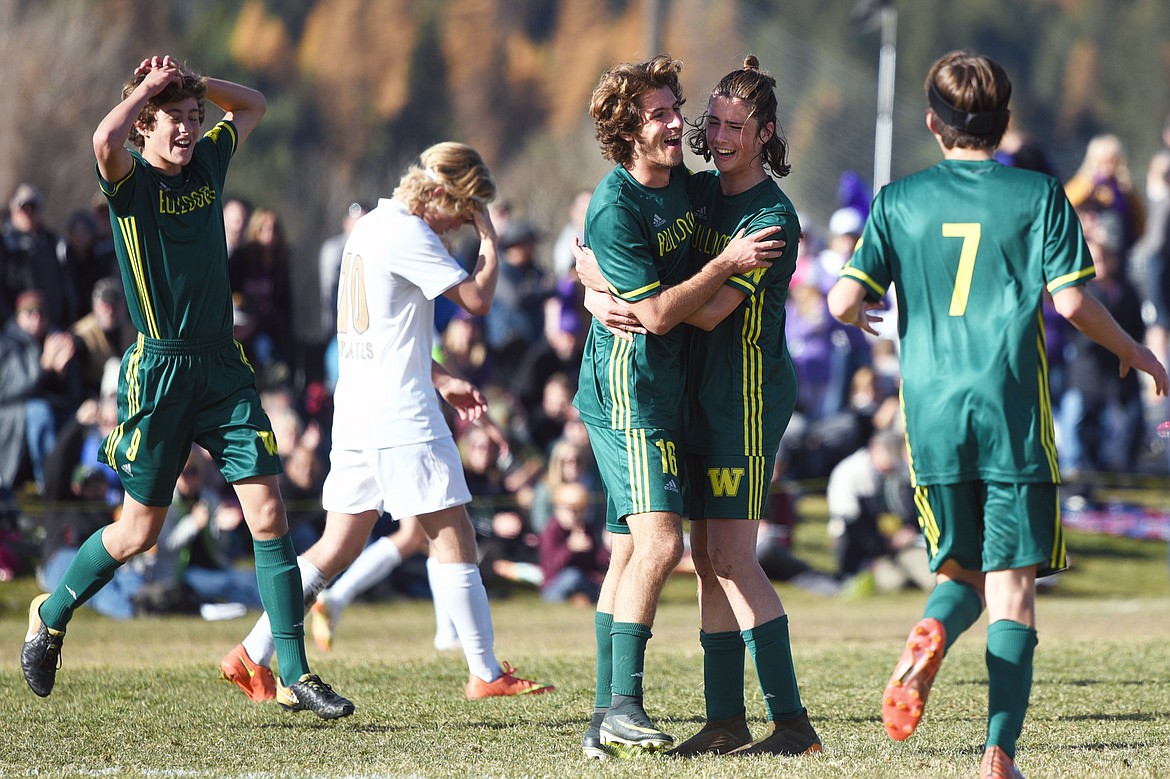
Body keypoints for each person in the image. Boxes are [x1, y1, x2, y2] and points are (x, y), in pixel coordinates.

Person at [826, 50, 1169, 778]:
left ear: (932, 123)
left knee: (964, 574)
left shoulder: (897, 201)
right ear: (1005, 125)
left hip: (933, 421)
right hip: (1009, 413)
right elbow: (1072, 300)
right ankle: (997, 753)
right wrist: (1135, 349)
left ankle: (932, 630)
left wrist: (868, 316)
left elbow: (840, 300)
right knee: (1011, 587)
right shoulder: (1040, 195)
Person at [20, 54, 354, 720]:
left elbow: (253, 104)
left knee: (269, 511)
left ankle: (292, 671)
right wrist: (148, 88)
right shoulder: (129, 180)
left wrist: (198, 84)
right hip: (161, 374)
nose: (189, 130)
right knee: (139, 531)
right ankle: (50, 611)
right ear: (146, 123)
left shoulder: (209, 163)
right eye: (175, 119)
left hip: (221, 368)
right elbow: (101, 142)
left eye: (195, 118)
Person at [219, 141, 554, 703]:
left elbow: (389, 332)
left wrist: (442, 376)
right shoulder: (410, 233)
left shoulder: (373, 225)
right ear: (445, 195)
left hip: (357, 410)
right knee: (455, 534)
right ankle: (485, 671)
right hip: (401, 411)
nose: (461, 227)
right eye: (466, 211)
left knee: (335, 548)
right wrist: (490, 238)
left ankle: (250, 654)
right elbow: (476, 300)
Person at [571, 54, 780, 759]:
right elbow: (657, 314)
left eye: (675, 109)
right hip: (628, 389)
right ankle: (623, 708)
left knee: (631, 549)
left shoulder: (686, 191)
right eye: (661, 113)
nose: (678, 124)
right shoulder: (617, 202)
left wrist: (590, 279)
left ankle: (606, 717)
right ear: (628, 127)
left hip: (666, 391)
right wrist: (720, 265)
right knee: (661, 543)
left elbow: (595, 262)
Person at [662, 56, 821, 758]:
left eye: (737, 127)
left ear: (766, 135)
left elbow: (707, 312)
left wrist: (650, 297)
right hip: (700, 396)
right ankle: (725, 718)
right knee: (704, 554)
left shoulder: (770, 217)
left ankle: (792, 723)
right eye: (715, 123)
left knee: (732, 554)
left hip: (746, 401)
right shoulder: (700, 195)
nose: (722, 137)